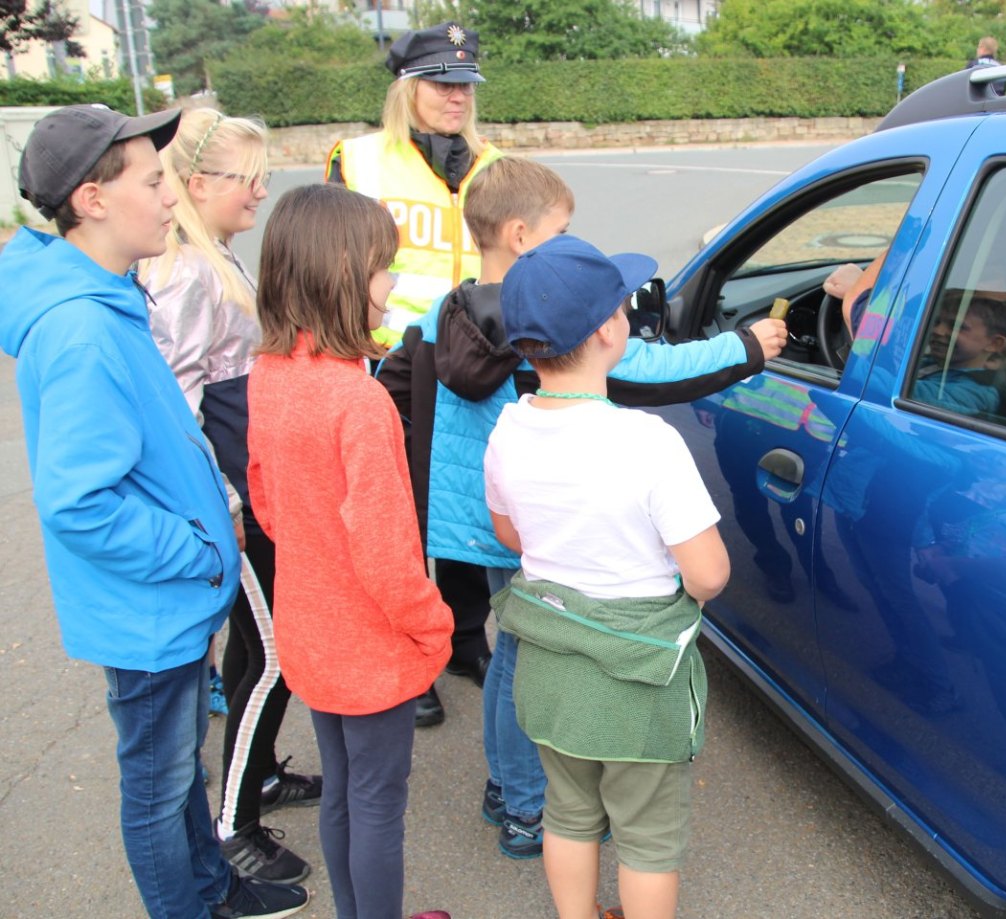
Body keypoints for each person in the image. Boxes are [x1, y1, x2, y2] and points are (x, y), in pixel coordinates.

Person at [375, 155, 786, 860]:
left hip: (488, 513)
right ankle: (526, 803)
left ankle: (509, 787)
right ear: (521, 234)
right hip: (526, 526)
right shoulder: (545, 320)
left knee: (514, 652)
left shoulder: (456, 308)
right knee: (523, 660)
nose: (573, 239)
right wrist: (745, 346)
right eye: (563, 228)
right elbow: (647, 369)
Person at [0, 104, 309, 919]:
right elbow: (80, 502)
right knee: (157, 779)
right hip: (145, 600)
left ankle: (210, 884)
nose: (169, 196)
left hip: (163, 594)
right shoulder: (79, 329)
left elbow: (164, 431)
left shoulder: (109, 292)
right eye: (150, 180)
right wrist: (196, 549)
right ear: (92, 199)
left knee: (179, 769)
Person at [484, 233, 731, 919]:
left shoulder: (507, 428)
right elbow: (708, 574)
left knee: (568, 811)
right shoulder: (648, 442)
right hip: (637, 683)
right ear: (607, 330)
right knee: (647, 836)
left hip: (552, 672)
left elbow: (510, 533)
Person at [246, 182, 455, 919]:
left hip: (309, 626)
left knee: (342, 789)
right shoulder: (358, 400)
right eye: (383, 267)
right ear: (343, 277)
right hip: (371, 642)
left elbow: (265, 501)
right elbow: (388, 547)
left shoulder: (270, 373)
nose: (392, 282)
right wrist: (432, 623)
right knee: (377, 804)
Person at [139, 107, 320, 886]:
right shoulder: (185, 271)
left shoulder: (217, 256)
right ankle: (233, 824)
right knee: (274, 655)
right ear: (198, 182)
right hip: (236, 497)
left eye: (264, 179)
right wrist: (226, 503)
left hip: (259, 486)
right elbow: (179, 412)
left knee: (259, 649)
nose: (259, 194)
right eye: (248, 180)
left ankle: (260, 772)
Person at [327, 20, 504, 727]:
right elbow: (332, 262)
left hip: (471, 358)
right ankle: (411, 651)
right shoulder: (362, 160)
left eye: (464, 82)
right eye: (439, 80)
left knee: (463, 502)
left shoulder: (495, 162)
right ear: (406, 87)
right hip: (388, 362)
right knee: (393, 516)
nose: (455, 94)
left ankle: (463, 637)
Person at [914, 295, 1006, 419]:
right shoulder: (929, 364)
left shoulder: (978, 392)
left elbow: (916, 393)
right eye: (936, 322)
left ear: (994, 343)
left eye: (957, 326)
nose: (937, 330)